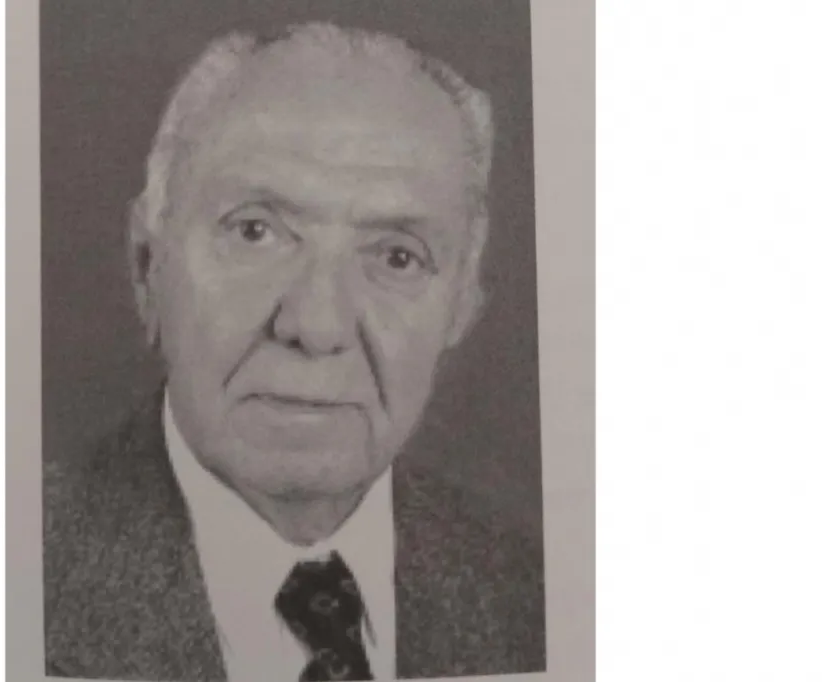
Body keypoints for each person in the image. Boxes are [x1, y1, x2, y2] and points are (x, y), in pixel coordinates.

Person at [43, 22, 545, 682]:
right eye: (255, 232)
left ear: (460, 308)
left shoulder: (536, 597)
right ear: (147, 268)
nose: (316, 325)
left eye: (397, 256)